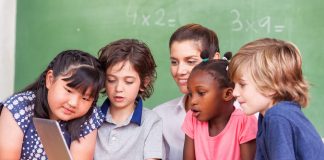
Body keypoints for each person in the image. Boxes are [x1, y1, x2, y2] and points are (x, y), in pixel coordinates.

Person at [228, 38, 324, 159]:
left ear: (271, 86)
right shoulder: (271, 114)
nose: (235, 92)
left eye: (242, 85)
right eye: (234, 85)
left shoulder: (278, 117)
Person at [0, 50, 105, 160]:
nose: (73, 103)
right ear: (50, 80)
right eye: (69, 90)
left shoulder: (89, 117)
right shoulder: (19, 107)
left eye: (85, 98)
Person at [153, 23, 221, 160]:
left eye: (190, 61)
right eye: (174, 62)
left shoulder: (244, 115)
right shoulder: (160, 117)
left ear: (215, 59)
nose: (180, 71)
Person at [94, 39, 163, 160]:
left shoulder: (152, 122)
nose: (119, 88)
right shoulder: (92, 118)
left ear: (144, 83)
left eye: (129, 81)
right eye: (111, 80)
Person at [182, 51, 257, 160]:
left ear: (227, 94)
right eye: (190, 94)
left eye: (201, 93)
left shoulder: (244, 121)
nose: (192, 101)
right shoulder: (192, 119)